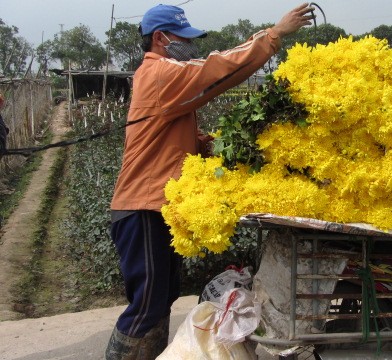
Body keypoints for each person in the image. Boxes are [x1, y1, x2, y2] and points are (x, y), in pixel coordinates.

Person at [106, 3, 316, 359]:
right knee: (146, 307)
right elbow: (216, 70)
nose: (190, 46)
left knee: (159, 301)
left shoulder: (165, 79)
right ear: (160, 38)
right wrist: (273, 35)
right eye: (183, 38)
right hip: (142, 207)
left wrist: (222, 144)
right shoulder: (160, 73)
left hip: (155, 207)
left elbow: (181, 142)